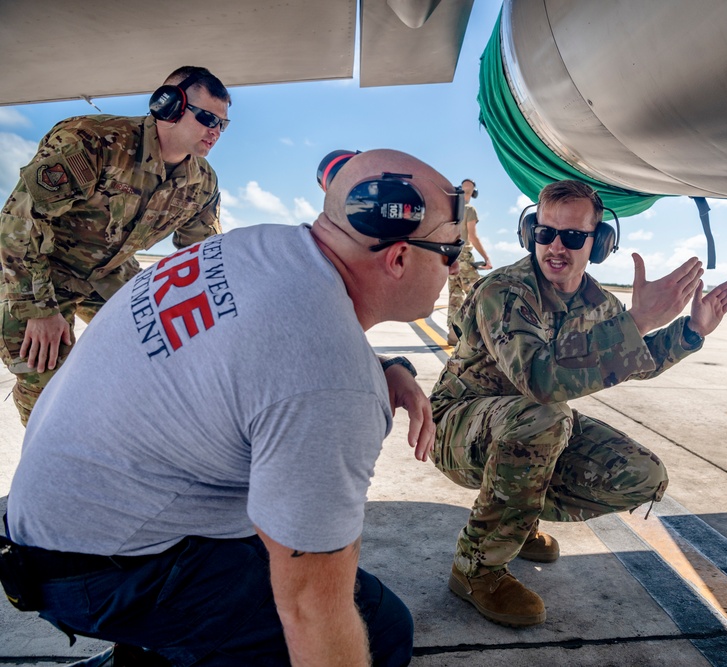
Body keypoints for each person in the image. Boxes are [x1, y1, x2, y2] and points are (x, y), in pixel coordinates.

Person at [1, 148, 465, 665]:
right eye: (452, 250)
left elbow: (268, 346)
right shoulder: (332, 384)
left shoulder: (261, 246)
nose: (456, 265)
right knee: (379, 630)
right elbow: (310, 608)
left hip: (52, 530)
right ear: (399, 258)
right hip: (95, 573)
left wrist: (385, 367)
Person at [430, 179, 727, 627]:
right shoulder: (506, 291)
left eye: (573, 236)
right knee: (545, 416)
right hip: (458, 427)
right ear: (529, 233)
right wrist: (637, 319)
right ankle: (476, 567)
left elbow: (636, 359)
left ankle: (518, 518)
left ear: (598, 244)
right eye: (544, 232)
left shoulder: (597, 303)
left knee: (642, 475)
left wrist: (690, 331)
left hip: (526, 425)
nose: (556, 246)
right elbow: (539, 380)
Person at [0, 65, 231, 426]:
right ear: (168, 106)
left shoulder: (201, 182)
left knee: (165, 353)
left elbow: (203, 256)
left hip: (109, 274)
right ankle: (42, 471)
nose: (215, 131)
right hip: (39, 270)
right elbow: (20, 220)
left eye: (223, 124)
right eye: (206, 118)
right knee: (46, 385)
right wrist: (39, 310)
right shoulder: (95, 142)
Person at [446, 178, 491, 345]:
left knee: (455, 296)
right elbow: (472, 236)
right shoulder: (470, 209)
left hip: (451, 255)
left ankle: (453, 334)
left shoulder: (451, 208)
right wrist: (486, 258)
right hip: (464, 255)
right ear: (473, 192)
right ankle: (485, 336)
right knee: (479, 294)